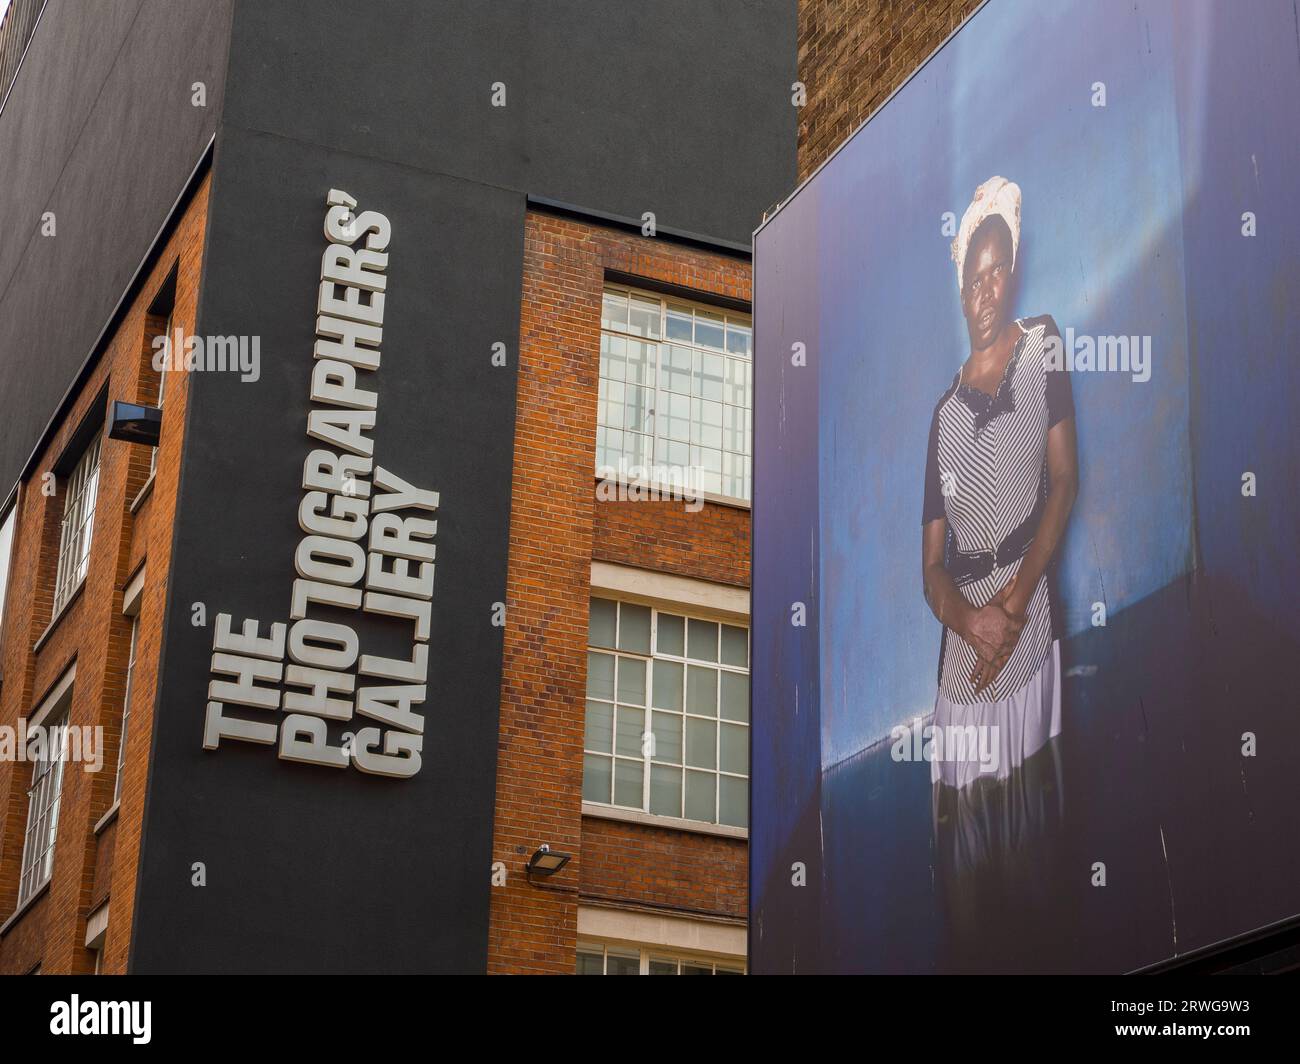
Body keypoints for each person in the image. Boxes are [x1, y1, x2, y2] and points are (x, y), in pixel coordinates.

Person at [920, 176, 1078, 789]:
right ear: (960, 292)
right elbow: (931, 568)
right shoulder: (943, 418)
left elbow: (1064, 481)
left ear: (1012, 273)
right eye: (974, 280)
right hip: (965, 656)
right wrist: (971, 622)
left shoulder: (1043, 345)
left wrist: (1014, 604)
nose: (986, 293)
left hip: (1029, 617)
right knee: (970, 822)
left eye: (997, 273)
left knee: (1035, 808)